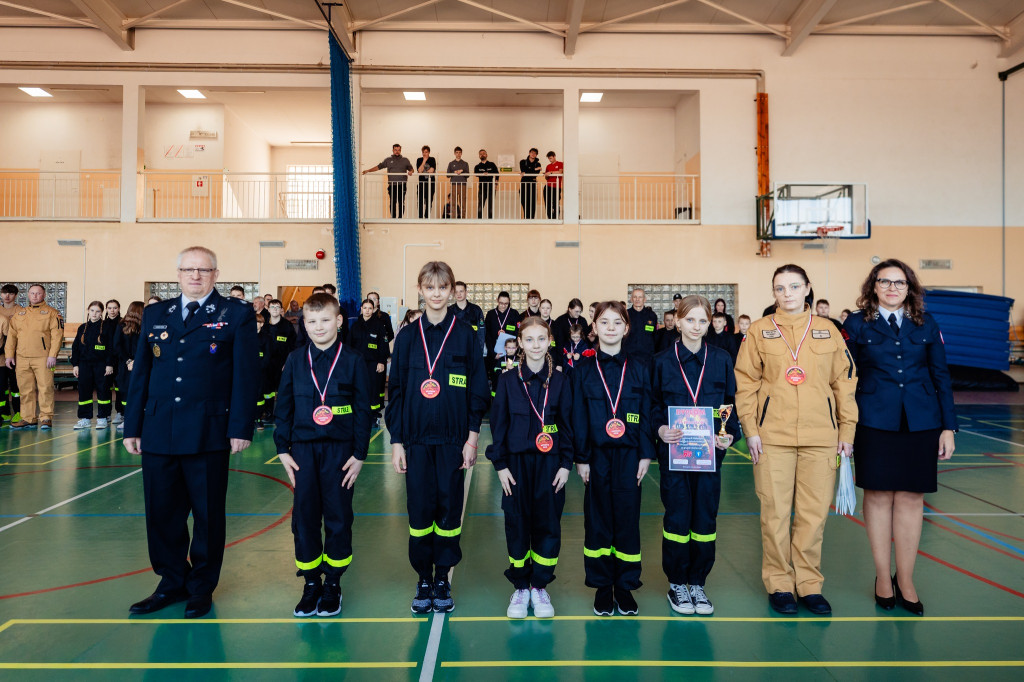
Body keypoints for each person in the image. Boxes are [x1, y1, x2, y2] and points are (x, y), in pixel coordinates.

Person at [123, 246, 260, 619]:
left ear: (216, 274)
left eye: (203, 270)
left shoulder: (236, 314)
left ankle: (201, 588)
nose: (195, 276)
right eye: (188, 269)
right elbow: (141, 376)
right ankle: (171, 582)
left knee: (208, 515)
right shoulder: (155, 314)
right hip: (159, 430)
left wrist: (240, 427)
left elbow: (246, 376)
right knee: (161, 514)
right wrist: (132, 425)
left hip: (209, 431)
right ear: (178, 274)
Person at [734, 264, 858, 617]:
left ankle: (808, 585)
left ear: (807, 289)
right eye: (779, 288)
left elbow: (845, 384)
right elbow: (746, 384)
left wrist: (846, 432)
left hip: (822, 437)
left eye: (793, 286)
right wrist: (751, 430)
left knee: (813, 516)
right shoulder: (758, 331)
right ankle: (779, 583)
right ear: (773, 293)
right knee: (774, 514)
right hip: (773, 437)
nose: (786, 293)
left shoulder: (828, 331)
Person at [842, 259, 957, 616]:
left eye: (900, 282)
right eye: (885, 281)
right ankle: (881, 577)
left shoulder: (926, 323)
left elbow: (942, 376)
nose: (893, 288)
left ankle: (905, 579)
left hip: (921, 422)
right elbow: (845, 378)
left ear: (910, 288)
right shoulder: (856, 324)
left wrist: (948, 427)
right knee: (877, 497)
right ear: (872, 286)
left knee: (910, 499)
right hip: (873, 421)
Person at [386, 261, 488, 614]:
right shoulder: (408, 338)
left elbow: (478, 390)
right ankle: (423, 578)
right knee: (419, 511)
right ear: (420, 290)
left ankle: (443, 576)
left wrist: (472, 438)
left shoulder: (465, 335)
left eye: (442, 288)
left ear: (452, 290)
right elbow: (396, 390)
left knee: (448, 511)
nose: (436, 294)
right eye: (430, 288)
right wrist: (396, 441)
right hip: (415, 441)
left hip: (451, 442)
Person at [274, 292, 372, 618]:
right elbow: (283, 407)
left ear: (339, 321)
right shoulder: (294, 360)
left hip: (340, 452)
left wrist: (360, 454)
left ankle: (333, 582)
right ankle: (311, 582)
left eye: (326, 320)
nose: (319, 327)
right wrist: (282, 450)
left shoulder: (355, 360)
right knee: (303, 518)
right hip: (302, 451)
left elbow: (363, 412)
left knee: (338, 516)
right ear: (304, 323)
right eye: (312, 321)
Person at [651, 295, 740, 616]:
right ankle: (677, 583)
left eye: (703, 321)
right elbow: (653, 406)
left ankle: (698, 583)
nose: (697, 326)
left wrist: (729, 435)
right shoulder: (661, 361)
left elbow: (731, 404)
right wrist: (660, 429)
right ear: (677, 320)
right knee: (677, 517)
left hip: (709, 458)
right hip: (674, 455)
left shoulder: (721, 359)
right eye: (691, 320)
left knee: (705, 517)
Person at [487, 317, 573, 618]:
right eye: (529, 339)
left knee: (548, 525)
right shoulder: (508, 381)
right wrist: (500, 465)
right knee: (517, 524)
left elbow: (567, 425)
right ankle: (521, 587)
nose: (536, 345)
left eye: (541, 339)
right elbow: (498, 426)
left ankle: (540, 586)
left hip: (550, 466)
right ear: (519, 343)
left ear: (549, 341)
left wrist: (565, 464)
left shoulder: (561, 381)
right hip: (516, 466)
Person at [572, 301, 654, 617]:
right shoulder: (583, 369)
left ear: (626, 328)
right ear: (594, 327)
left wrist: (646, 453)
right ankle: (603, 586)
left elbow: (646, 413)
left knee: (627, 521)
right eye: (604, 322)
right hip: (596, 456)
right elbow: (578, 415)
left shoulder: (638, 368)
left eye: (616, 322)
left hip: (630, 456)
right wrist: (581, 458)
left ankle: (625, 586)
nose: (610, 328)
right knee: (598, 521)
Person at [4, 284, 63, 430]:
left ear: (44, 295)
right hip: (22, 358)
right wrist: (9, 355)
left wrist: (52, 355)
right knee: (25, 389)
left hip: (43, 358)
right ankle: (28, 417)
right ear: (28, 295)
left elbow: (57, 336)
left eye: (38, 293)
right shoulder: (19, 315)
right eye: (32, 293)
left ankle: (45, 417)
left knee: (45, 388)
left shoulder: (52, 313)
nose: (35, 296)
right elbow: (11, 336)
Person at [71, 301, 117, 430]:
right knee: (84, 391)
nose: (94, 314)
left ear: (102, 313)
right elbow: (76, 348)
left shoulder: (107, 327)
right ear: (88, 311)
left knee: (103, 391)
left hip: (101, 365)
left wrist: (109, 364)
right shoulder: (82, 327)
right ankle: (85, 418)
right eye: (92, 310)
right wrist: (75, 365)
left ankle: (103, 417)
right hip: (84, 365)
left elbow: (111, 348)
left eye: (97, 311)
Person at [346, 298, 390, 423]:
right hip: (357, 363)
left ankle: (374, 415)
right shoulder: (355, 325)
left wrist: (381, 361)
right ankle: (359, 413)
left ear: (373, 309)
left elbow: (384, 345)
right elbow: (349, 345)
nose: (367, 310)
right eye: (365, 308)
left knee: (373, 388)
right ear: (361, 309)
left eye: (370, 308)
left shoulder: (379, 325)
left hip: (373, 363)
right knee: (358, 388)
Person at [261, 299, 297, 427]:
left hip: (283, 365)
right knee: (268, 392)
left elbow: (293, 346)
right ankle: (268, 413)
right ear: (268, 309)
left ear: (281, 309)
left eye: (277, 307)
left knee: (283, 391)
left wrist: (288, 363)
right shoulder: (264, 326)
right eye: (272, 307)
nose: (275, 309)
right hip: (266, 365)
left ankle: (282, 415)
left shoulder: (287, 326)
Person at [112, 301, 143, 432]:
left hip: (138, 364)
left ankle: (137, 420)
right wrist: (129, 361)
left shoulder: (144, 326)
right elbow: (117, 345)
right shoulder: (122, 325)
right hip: (127, 365)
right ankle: (127, 419)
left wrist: (134, 361)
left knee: (136, 392)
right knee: (126, 392)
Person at [362, 143, 414, 218]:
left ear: (400, 150)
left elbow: (411, 169)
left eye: (399, 150)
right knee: (392, 202)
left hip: (402, 185)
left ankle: (400, 219)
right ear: (393, 150)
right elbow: (379, 167)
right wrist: (368, 170)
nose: (397, 151)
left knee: (401, 202)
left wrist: (411, 171)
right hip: (392, 185)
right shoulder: (388, 160)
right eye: (395, 150)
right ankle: (393, 218)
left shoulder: (405, 160)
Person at [485, 291, 521, 392]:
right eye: (501, 303)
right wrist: (492, 354)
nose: (503, 306)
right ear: (497, 301)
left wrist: (512, 350)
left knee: (511, 380)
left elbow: (518, 332)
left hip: (510, 354)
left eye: (506, 303)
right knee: (496, 381)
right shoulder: (491, 314)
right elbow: (487, 336)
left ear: (509, 302)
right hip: (495, 355)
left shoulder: (514, 314)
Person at [0, 283, 23, 426]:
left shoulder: (20, 310)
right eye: (4, 293)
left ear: (15, 295)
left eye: (10, 293)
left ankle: (19, 412)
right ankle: (4, 412)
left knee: (16, 386)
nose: (7, 296)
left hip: (16, 354)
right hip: (2, 357)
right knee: (1, 386)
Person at [451, 281, 486, 357]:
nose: (458, 294)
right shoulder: (449, 311)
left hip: (472, 350)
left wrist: (479, 351)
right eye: (456, 291)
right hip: (454, 351)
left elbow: (481, 332)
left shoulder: (476, 310)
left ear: (466, 292)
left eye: (461, 291)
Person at [623, 288, 658, 362]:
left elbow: (655, 336)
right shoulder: (625, 314)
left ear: (644, 299)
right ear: (631, 299)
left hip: (647, 357)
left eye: (640, 297)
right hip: (629, 356)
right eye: (635, 297)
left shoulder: (652, 315)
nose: (637, 299)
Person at [475, 149, 499, 219]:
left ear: (486, 155)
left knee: (490, 207)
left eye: (484, 153)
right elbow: (476, 174)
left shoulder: (492, 164)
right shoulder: (477, 166)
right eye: (481, 154)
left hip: (491, 189)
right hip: (482, 189)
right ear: (479, 156)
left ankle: (490, 221)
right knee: (480, 207)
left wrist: (496, 184)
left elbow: (497, 174)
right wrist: (483, 174)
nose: (482, 155)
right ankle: (479, 221)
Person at [447, 147, 470, 219]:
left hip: (463, 184)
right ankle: (453, 218)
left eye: (460, 152)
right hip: (454, 184)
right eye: (457, 152)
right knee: (453, 202)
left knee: (463, 202)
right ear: (454, 153)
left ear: (461, 153)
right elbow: (447, 175)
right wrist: (454, 172)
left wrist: (462, 171)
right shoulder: (451, 163)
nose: (458, 154)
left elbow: (468, 175)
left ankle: (463, 218)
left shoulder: (465, 163)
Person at [519, 148, 542, 219]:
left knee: (532, 203)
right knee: (524, 202)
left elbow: (534, 174)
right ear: (529, 153)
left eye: (535, 153)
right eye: (532, 152)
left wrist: (527, 171)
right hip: (524, 184)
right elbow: (523, 170)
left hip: (532, 184)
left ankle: (532, 219)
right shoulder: (523, 161)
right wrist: (534, 169)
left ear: (536, 155)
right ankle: (526, 219)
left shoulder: (538, 163)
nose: (533, 154)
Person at [416, 145, 437, 219]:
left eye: (426, 152)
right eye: (423, 152)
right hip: (422, 183)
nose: (425, 154)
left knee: (429, 200)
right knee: (420, 200)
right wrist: (424, 161)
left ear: (429, 152)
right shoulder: (419, 160)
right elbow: (419, 171)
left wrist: (424, 171)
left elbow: (431, 171)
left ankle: (427, 216)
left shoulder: (432, 159)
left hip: (430, 183)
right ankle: (420, 217)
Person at [543, 151, 563, 220]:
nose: (550, 160)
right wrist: (546, 175)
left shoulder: (560, 163)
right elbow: (546, 177)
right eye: (549, 159)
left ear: (554, 156)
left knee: (555, 203)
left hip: (556, 187)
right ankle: (550, 218)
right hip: (548, 186)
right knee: (548, 203)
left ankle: (556, 218)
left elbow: (560, 172)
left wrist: (550, 172)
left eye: (551, 158)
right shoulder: (548, 166)